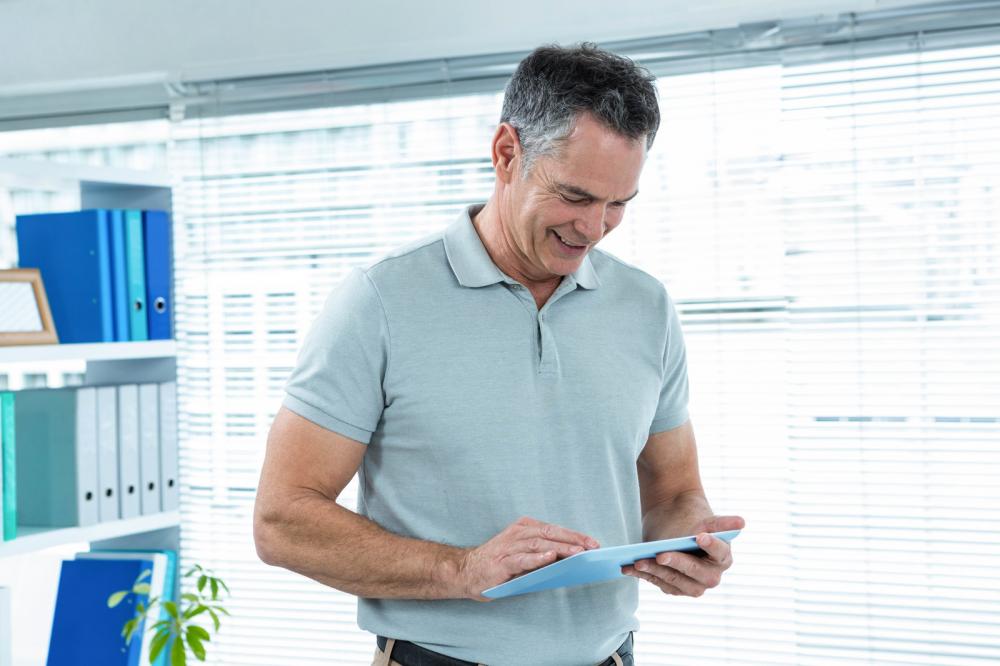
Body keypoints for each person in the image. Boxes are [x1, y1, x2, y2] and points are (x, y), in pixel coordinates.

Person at [253, 42, 745, 666]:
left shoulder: (646, 307)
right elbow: (282, 521)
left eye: (618, 203)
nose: (594, 229)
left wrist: (690, 543)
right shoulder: (379, 300)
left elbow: (674, 490)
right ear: (507, 153)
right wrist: (462, 569)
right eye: (574, 195)